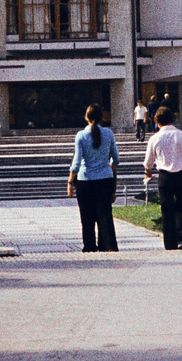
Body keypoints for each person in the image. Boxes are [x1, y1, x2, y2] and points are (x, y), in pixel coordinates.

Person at [67, 103, 120, 252]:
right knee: (105, 215)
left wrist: (70, 181)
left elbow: (76, 162)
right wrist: (109, 165)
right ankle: (108, 245)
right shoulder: (109, 134)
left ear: (86, 117)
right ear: (102, 117)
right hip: (105, 180)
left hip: (85, 180)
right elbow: (116, 158)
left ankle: (89, 246)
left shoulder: (81, 135)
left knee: (87, 216)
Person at [143, 106, 182, 250]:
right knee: (181, 206)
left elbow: (148, 162)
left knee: (166, 209)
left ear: (157, 121)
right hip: (181, 175)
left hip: (164, 176)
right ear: (172, 118)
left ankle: (169, 242)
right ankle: (181, 238)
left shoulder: (155, 138)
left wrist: (147, 174)